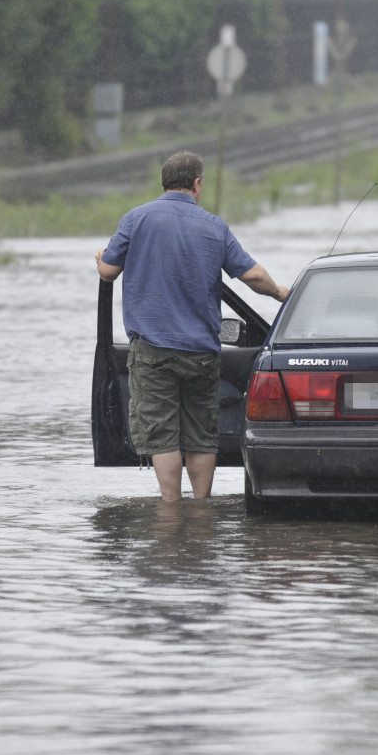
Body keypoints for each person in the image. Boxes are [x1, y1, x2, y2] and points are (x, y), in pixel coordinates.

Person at [95, 151, 289, 502]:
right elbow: (253, 276)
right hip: (201, 352)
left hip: (152, 352)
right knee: (202, 435)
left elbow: (108, 271)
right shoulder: (214, 227)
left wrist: (99, 259)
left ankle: (170, 509)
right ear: (197, 184)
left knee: (161, 435)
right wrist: (280, 293)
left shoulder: (136, 219)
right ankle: (201, 510)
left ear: (165, 183)